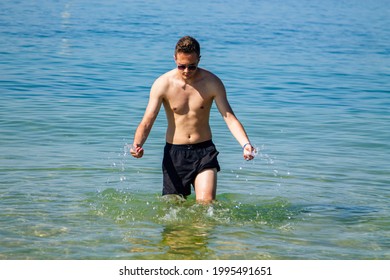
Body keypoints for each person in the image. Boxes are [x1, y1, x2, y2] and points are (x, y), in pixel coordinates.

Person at [131, 36, 255, 203]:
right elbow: (148, 119)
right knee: (173, 210)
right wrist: (137, 145)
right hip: (175, 154)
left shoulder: (212, 82)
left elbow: (229, 117)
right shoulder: (163, 84)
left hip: (204, 151)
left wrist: (246, 144)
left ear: (199, 59)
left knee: (206, 203)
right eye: (181, 66)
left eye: (192, 66)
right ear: (175, 58)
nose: (187, 71)